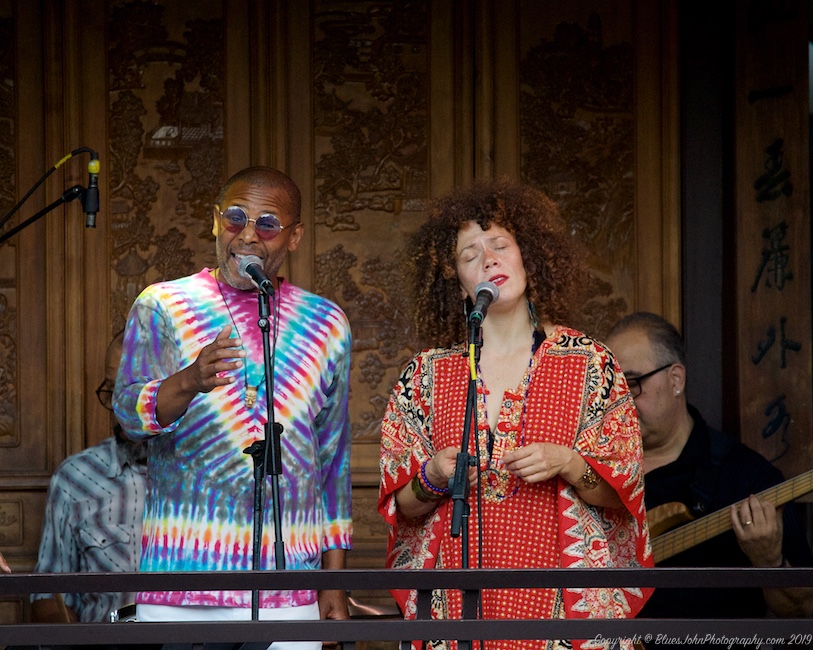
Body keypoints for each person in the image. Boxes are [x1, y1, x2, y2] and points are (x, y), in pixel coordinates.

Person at [378, 179, 652, 650]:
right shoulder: (426, 374)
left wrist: (567, 461)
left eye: (500, 244)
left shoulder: (589, 362)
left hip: (564, 609)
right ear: (457, 281)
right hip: (456, 610)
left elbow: (622, 493)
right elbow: (401, 508)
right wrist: (433, 475)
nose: (488, 259)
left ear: (529, 254)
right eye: (470, 255)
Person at [113, 166, 352, 648]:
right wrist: (189, 381)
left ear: (294, 236)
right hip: (181, 576)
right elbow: (128, 415)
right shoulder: (162, 305)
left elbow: (333, 458)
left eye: (267, 223)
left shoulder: (326, 322)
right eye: (235, 218)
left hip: (290, 580)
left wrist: (333, 578)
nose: (247, 234)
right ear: (215, 221)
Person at [605, 312, 813, 646]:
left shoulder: (747, 477)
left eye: (631, 384)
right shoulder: (591, 474)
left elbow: (804, 607)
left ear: (676, 380)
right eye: (609, 389)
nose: (618, 401)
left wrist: (769, 561)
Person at [31, 333, 148, 623]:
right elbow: (48, 599)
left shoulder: (205, 481)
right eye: (111, 392)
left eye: (132, 394)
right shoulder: (75, 480)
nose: (119, 409)